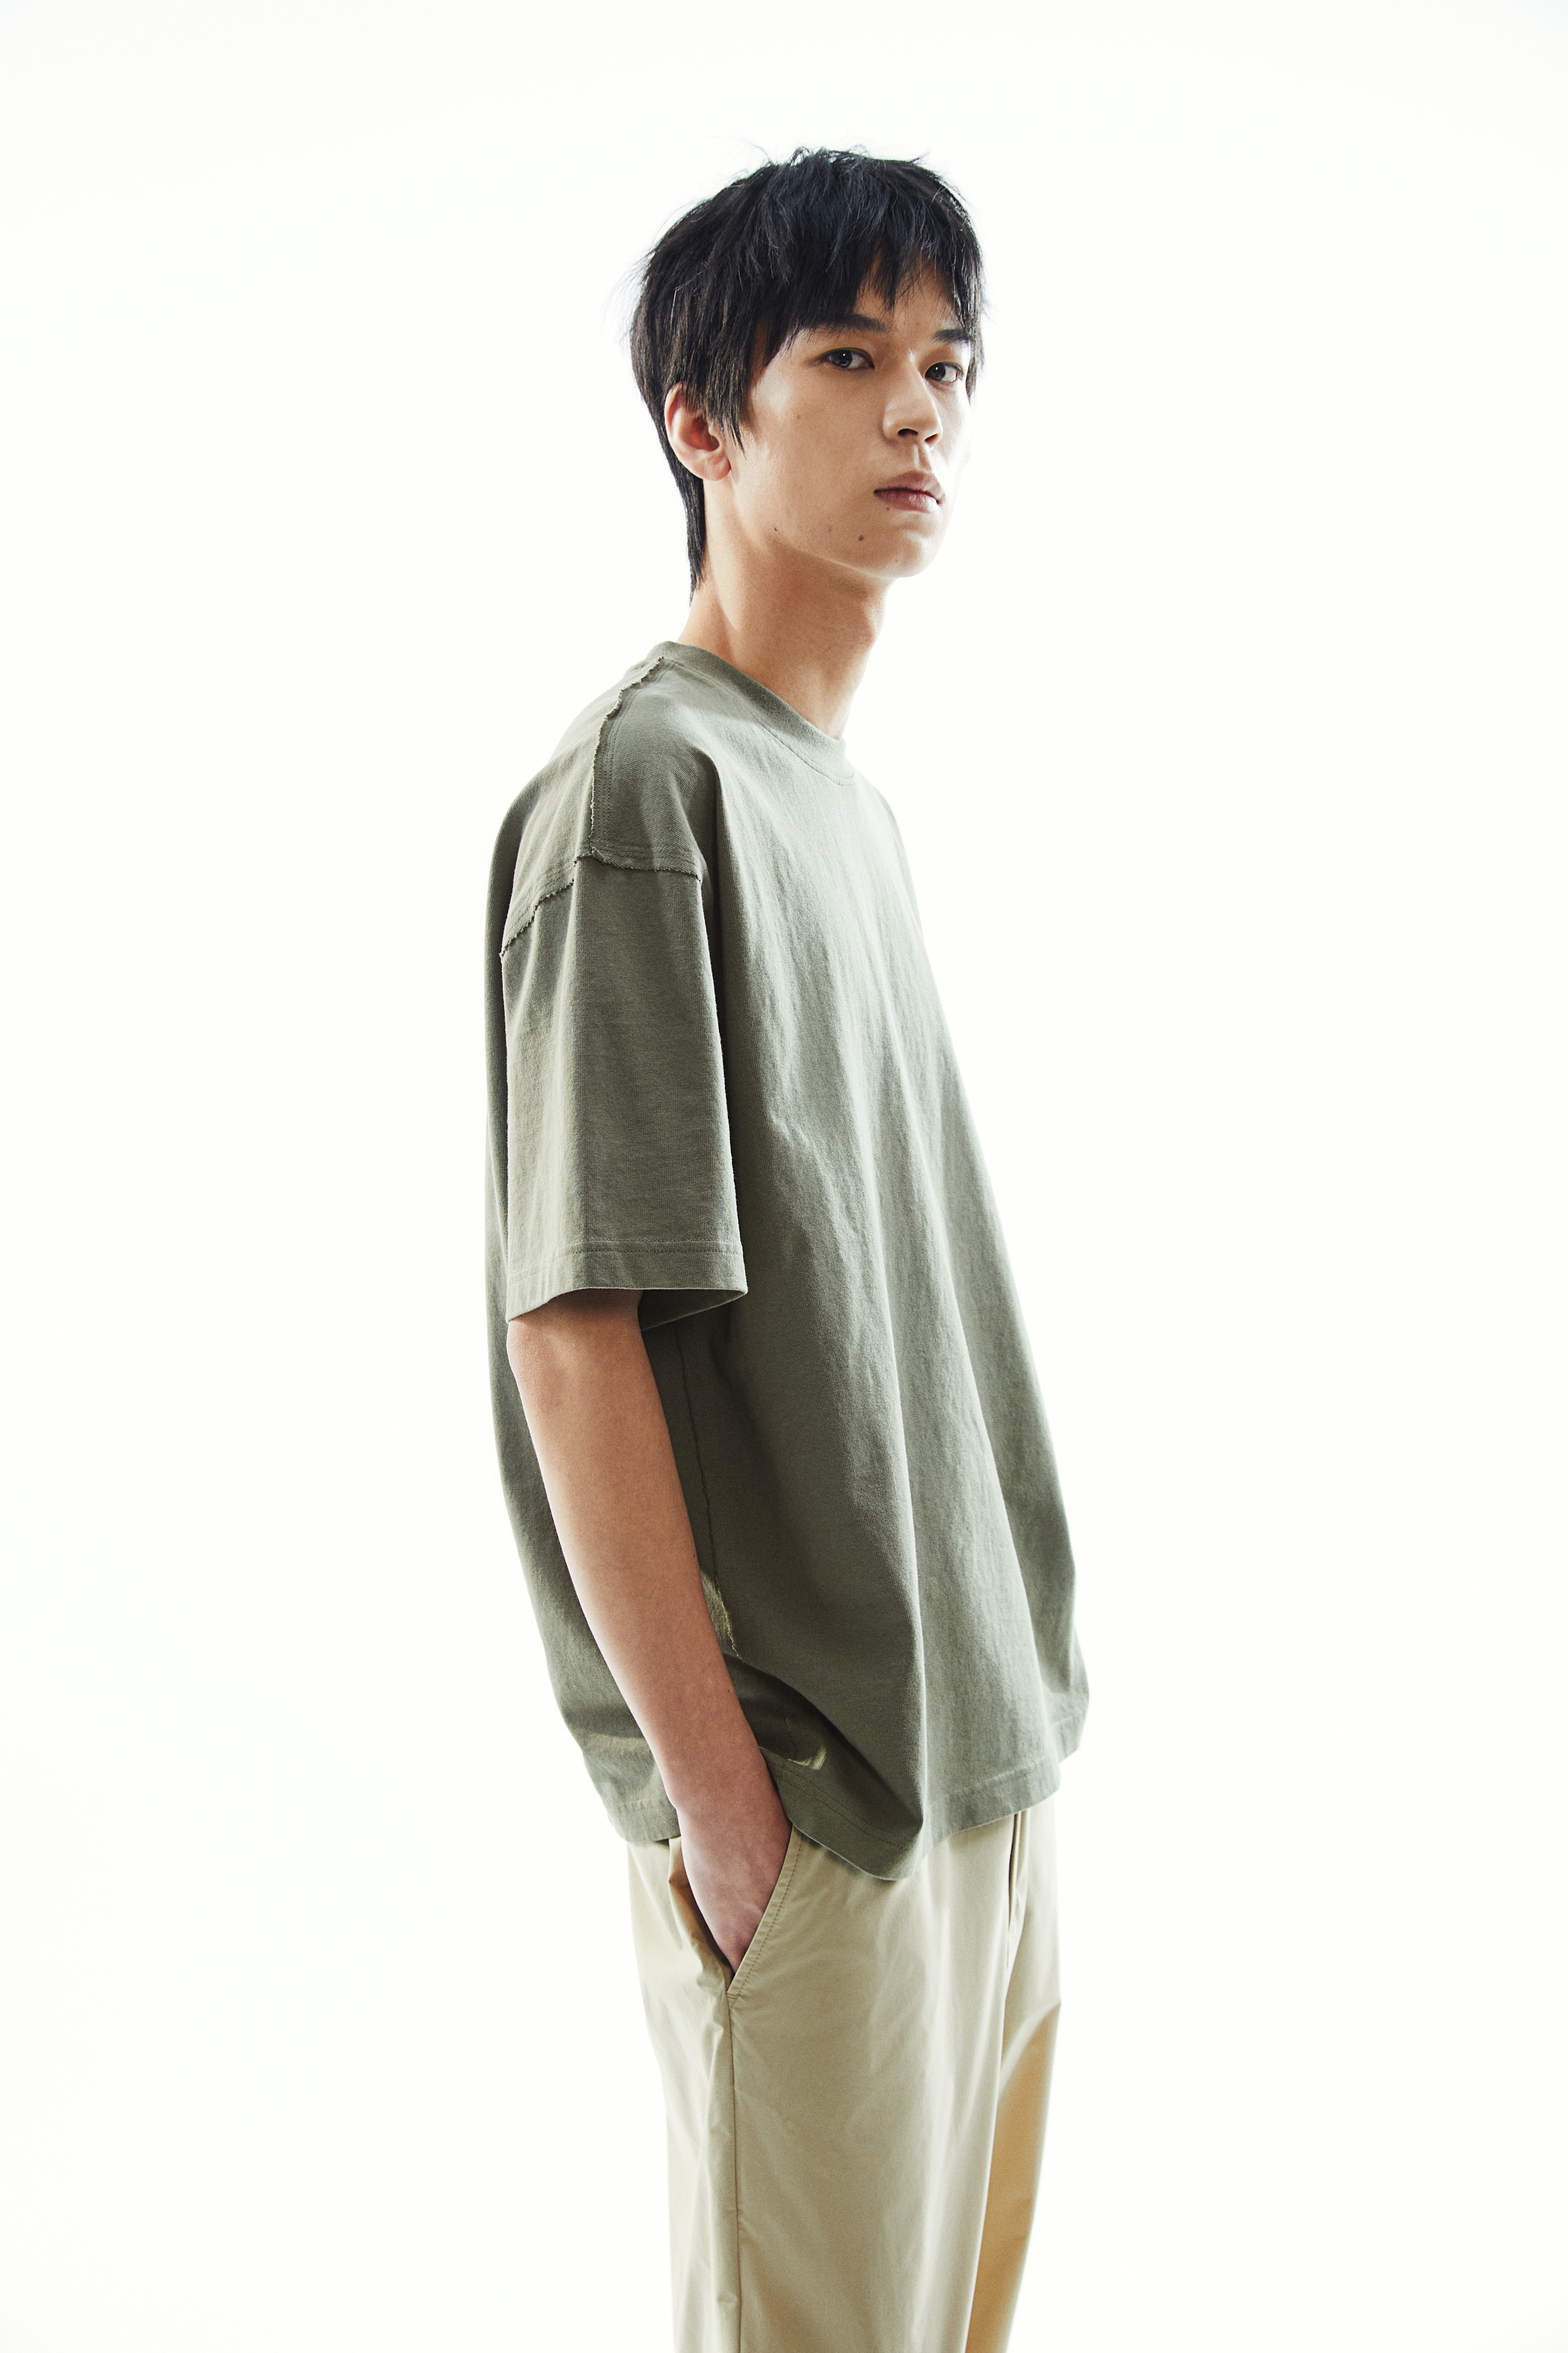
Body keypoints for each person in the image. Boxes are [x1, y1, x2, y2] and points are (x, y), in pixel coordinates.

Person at [483, 145, 1089, 2353]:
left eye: (948, 360)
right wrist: (720, 1809)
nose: (919, 406)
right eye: (849, 356)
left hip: (981, 1773)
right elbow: (577, 1330)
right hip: (821, 1804)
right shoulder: (642, 796)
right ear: (701, 421)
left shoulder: (844, 802)